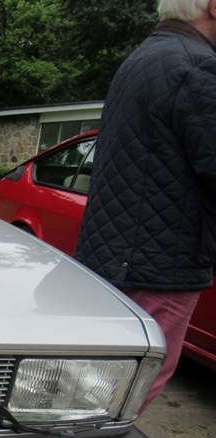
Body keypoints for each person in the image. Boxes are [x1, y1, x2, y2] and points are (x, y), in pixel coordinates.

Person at [75, 0, 216, 411]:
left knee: (97, 385)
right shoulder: (197, 66)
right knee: (122, 396)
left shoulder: (143, 58)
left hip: (117, 256)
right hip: (162, 264)